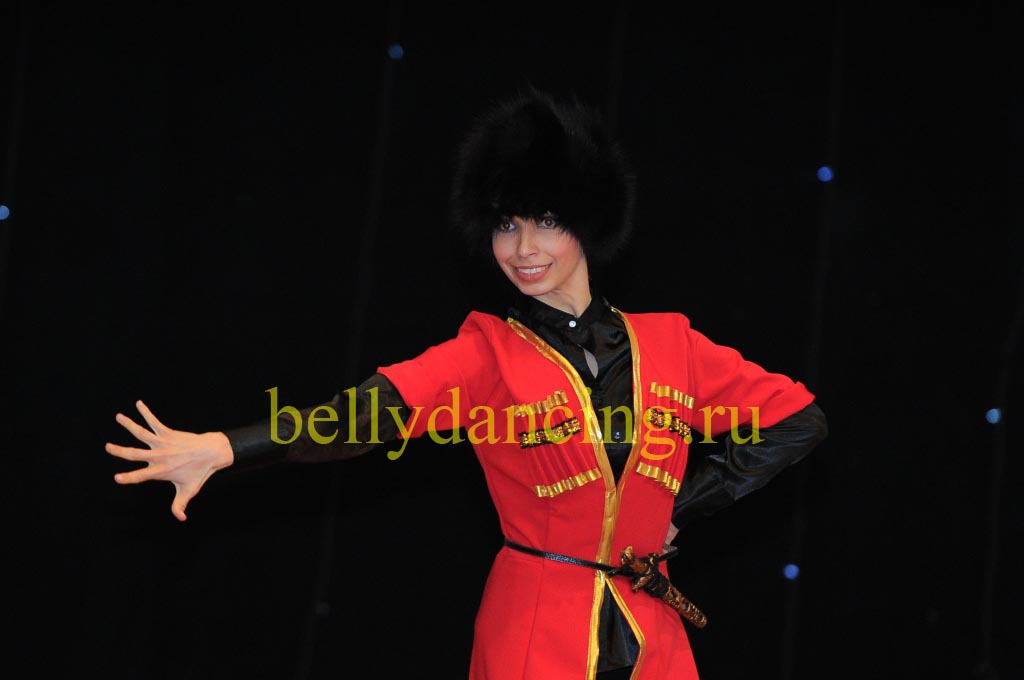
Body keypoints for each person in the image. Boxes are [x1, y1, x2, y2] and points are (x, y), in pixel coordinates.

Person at [106, 88, 828, 680]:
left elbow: (797, 419)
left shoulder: (671, 344)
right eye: (507, 225)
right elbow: (364, 415)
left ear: (587, 223)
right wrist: (227, 448)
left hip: (651, 631)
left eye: (546, 221)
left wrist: (686, 505)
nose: (524, 248)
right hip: (535, 627)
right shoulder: (486, 354)